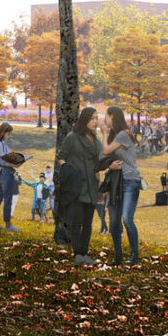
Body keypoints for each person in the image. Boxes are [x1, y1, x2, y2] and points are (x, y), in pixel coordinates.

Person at [56, 106, 123, 266]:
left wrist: (100, 186)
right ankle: (77, 255)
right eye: (92, 118)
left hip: (92, 187)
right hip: (77, 186)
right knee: (77, 221)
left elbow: (99, 162)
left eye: (96, 118)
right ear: (85, 120)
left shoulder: (96, 140)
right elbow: (61, 157)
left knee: (88, 222)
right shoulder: (72, 137)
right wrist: (69, 173)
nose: (95, 121)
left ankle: (84, 254)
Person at [102, 105, 142, 266]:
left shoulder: (124, 135)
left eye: (106, 116)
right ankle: (118, 256)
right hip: (117, 182)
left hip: (130, 181)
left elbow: (106, 150)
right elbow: (104, 155)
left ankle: (134, 256)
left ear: (113, 117)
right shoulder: (116, 135)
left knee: (127, 218)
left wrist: (104, 134)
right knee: (114, 221)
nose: (104, 119)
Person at [0, 151, 25, 231]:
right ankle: (9, 217)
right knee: (12, 205)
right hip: (14, 194)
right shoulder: (13, 179)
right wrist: (19, 176)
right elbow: (19, 182)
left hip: (10, 192)